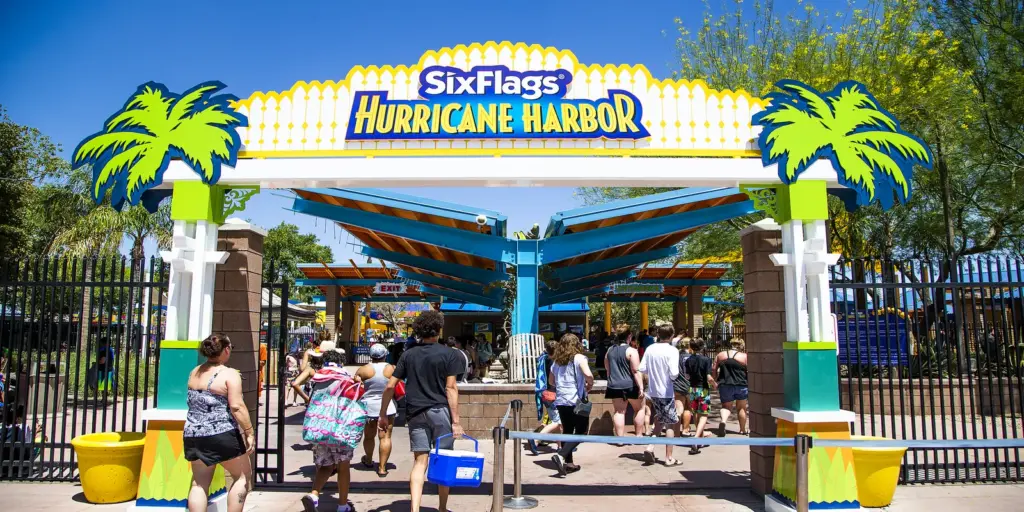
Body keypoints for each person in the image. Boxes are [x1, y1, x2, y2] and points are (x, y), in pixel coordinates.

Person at [378, 310, 464, 512]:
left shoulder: (408, 355)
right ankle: (442, 508)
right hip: (440, 411)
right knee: (443, 459)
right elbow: (451, 388)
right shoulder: (450, 354)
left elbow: (390, 386)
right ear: (439, 329)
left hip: (415, 412)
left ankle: (414, 509)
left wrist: (383, 413)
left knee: (419, 461)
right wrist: (456, 421)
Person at [183, 334, 253, 512]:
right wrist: (249, 431)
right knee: (242, 476)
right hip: (221, 434)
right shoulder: (229, 374)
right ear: (226, 350)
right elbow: (237, 406)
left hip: (193, 434)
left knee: (199, 483)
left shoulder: (195, 371)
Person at [300, 348, 360, 512]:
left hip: (320, 429)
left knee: (326, 465)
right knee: (343, 466)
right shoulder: (345, 378)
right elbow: (354, 400)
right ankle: (342, 505)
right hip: (340, 428)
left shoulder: (318, 377)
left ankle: (314, 494)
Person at [549, 333, 593, 476]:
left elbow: (551, 382)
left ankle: (569, 464)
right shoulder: (579, 358)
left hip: (561, 400)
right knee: (581, 432)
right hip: (576, 401)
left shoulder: (556, 361)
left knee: (567, 431)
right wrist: (589, 384)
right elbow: (588, 375)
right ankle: (561, 455)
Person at [639, 324, 681, 466]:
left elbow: (642, 368)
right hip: (666, 391)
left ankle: (650, 446)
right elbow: (674, 373)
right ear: (671, 336)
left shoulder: (650, 348)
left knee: (659, 419)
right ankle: (669, 458)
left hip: (653, 391)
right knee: (670, 424)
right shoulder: (672, 350)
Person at [355, 344, 397, 478]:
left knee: (368, 436)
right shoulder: (391, 368)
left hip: (368, 407)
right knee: (385, 437)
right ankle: (382, 467)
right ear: (385, 354)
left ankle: (368, 459)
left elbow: (356, 384)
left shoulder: (363, 369)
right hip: (387, 406)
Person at [604, 330, 645, 439]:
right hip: (631, 385)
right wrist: (641, 386)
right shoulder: (632, 351)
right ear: (629, 336)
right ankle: (639, 436)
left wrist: (610, 380)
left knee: (619, 411)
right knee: (640, 409)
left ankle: (620, 439)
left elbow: (607, 368)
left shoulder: (610, 350)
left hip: (614, 385)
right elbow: (636, 371)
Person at [682, 338, 717, 454]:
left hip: (692, 389)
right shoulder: (706, 360)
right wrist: (715, 385)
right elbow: (709, 377)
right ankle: (697, 438)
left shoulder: (688, 360)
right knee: (704, 414)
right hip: (703, 389)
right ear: (702, 347)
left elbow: (687, 376)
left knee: (696, 413)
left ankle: (700, 438)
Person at [528, 340, 562, 455]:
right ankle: (536, 439)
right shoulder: (555, 362)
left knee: (556, 420)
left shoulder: (543, 358)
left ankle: (560, 446)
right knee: (557, 422)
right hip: (553, 394)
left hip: (544, 393)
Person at [713, 338, 749, 436]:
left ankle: (723, 421)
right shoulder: (744, 357)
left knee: (726, 406)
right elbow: (749, 371)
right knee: (741, 407)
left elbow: (714, 369)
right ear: (741, 346)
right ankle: (742, 430)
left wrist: (715, 381)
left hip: (725, 384)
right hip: (741, 385)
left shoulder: (721, 355)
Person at [673, 338, 693, 436]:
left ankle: (676, 433)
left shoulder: (676, 357)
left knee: (678, 408)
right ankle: (685, 430)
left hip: (678, 385)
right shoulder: (692, 357)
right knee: (688, 408)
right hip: (690, 385)